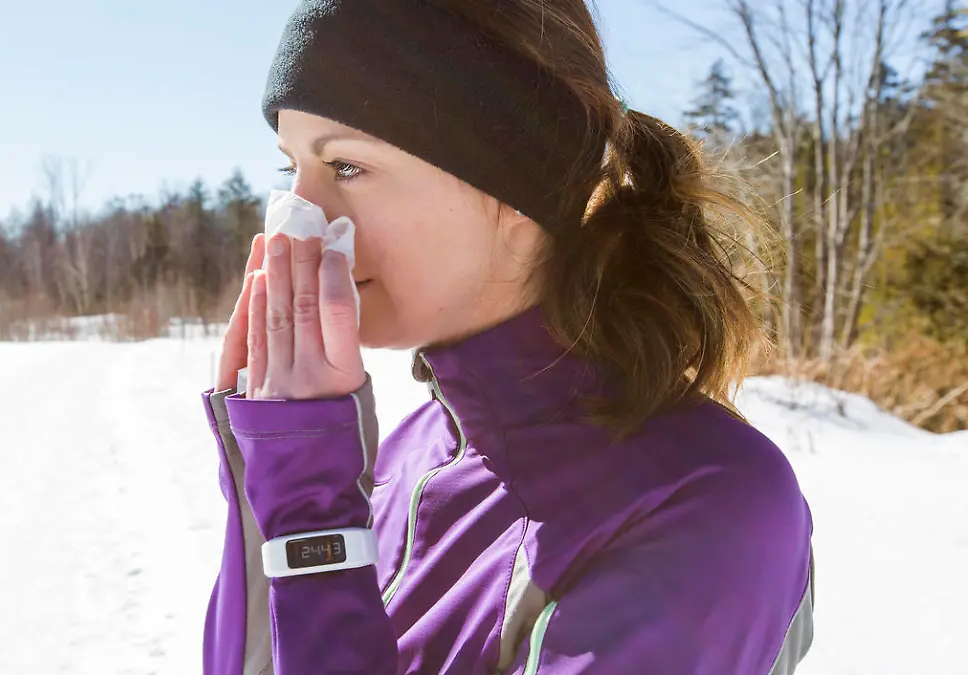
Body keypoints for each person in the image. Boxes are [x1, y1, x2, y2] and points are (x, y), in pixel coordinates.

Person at [199, 0, 815, 673]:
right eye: (291, 170)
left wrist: (310, 514)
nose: (297, 223)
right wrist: (269, 480)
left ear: (523, 183)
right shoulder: (410, 456)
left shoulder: (710, 506)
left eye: (346, 167)